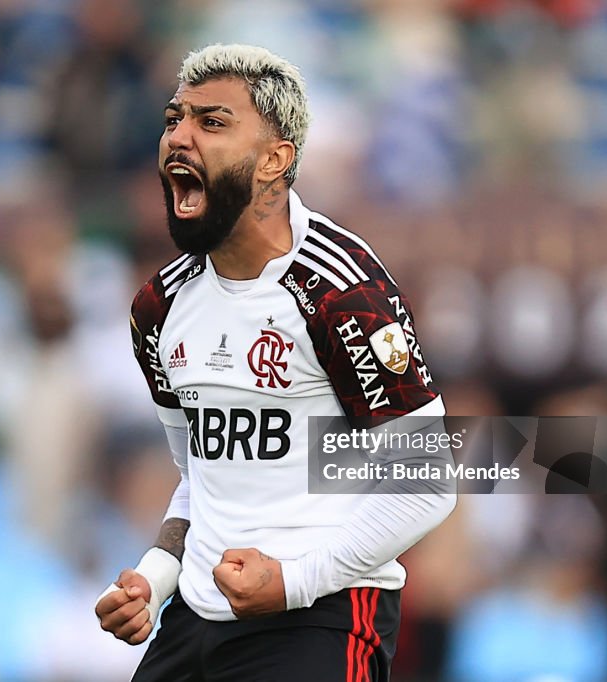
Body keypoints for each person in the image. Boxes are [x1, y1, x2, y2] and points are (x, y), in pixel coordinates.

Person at [95, 43, 456, 682]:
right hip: (196, 618)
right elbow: (200, 483)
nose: (179, 138)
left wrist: (293, 583)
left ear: (275, 160)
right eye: (174, 118)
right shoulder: (159, 307)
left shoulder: (341, 292)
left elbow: (427, 480)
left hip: (322, 616)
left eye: (211, 123)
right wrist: (154, 577)